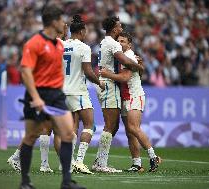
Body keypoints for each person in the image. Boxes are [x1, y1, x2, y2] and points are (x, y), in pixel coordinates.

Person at [18, 6, 85, 189]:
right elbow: (25, 72)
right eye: (61, 20)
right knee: (31, 136)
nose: (64, 23)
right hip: (38, 94)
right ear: (53, 21)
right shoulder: (34, 43)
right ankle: (24, 182)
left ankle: (66, 181)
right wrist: (35, 97)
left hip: (56, 95)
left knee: (67, 134)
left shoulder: (59, 45)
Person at [7, 23, 69, 174]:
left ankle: (20, 158)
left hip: (50, 91)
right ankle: (42, 164)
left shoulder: (54, 45)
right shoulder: (56, 44)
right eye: (63, 27)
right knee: (44, 129)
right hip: (47, 92)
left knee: (43, 129)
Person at [99, 32, 161, 172]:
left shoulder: (129, 56)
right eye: (118, 41)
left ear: (129, 44)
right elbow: (139, 72)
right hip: (125, 97)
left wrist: (107, 74)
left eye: (123, 41)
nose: (120, 43)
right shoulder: (120, 56)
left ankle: (153, 156)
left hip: (134, 95)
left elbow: (126, 77)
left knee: (133, 128)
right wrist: (141, 67)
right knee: (129, 132)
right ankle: (137, 163)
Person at [92, 16, 144, 173]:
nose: (121, 28)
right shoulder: (112, 43)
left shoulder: (104, 42)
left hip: (107, 85)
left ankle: (99, 161)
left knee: (113, 126)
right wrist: (139, 65)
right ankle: (100, 164)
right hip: (108, 85)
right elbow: (126, 63)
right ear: (114, 29)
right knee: (110, 125)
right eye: (119, 26)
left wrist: (134, 60)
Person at [62, 15, 105, 174]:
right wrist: (99, 82)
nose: (86, 33)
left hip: (62, 91)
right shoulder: (84, 48)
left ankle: (69, 162)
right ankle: (79, 161)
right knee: (90, 125)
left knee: (72, 127)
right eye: (85, 31)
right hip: (77, 91)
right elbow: (88, 71)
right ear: (81, 31)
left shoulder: (61, 45)